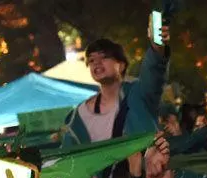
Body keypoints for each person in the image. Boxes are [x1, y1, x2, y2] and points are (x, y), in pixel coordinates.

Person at [61, 23, 169, 154]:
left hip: (149, 172)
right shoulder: (78, 116)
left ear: (121, 65)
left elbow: (153, 72)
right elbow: (68, 159)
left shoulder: (139, 94)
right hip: (110, 175)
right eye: (91, 60)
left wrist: (157, 49)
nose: (97, 63)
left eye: (104, 57)